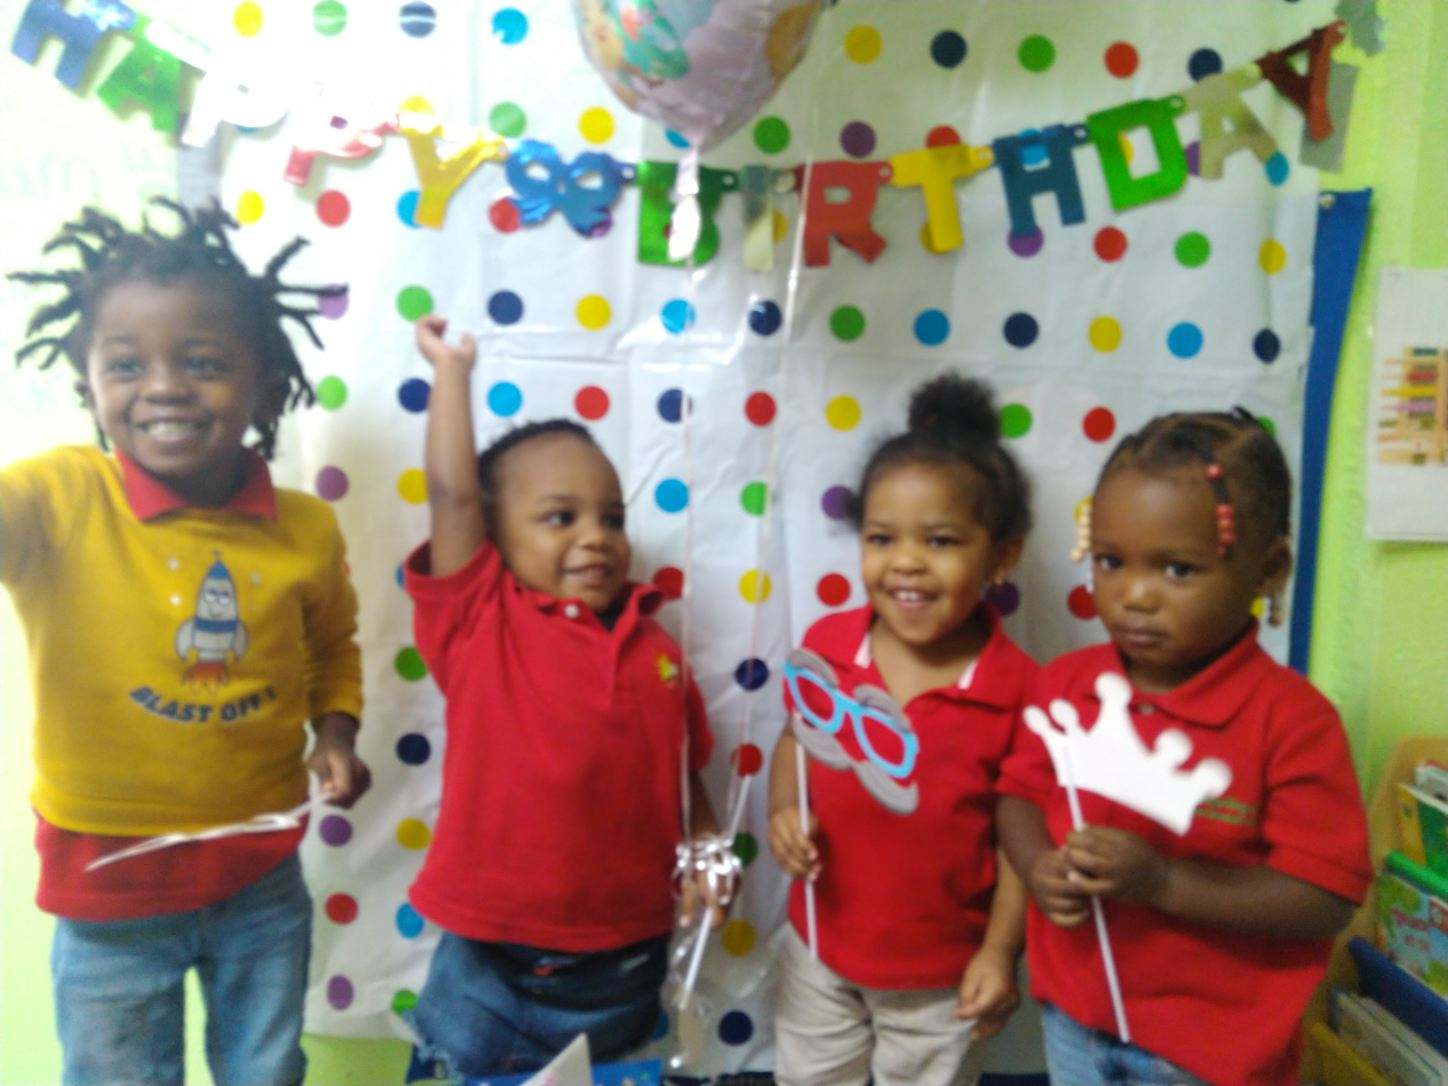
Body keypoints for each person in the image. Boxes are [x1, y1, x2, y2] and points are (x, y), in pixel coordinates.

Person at [2, 200, 369, 1086]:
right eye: (126, 364)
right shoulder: (58, 499)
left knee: (267, 1071)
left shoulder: (304, 528)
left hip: (260, 880)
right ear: (88, 388)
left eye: (202, 363)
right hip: (109, 889)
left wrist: (336, 732)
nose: (163, 386)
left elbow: (331, 648)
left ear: (266, 390)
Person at [997, 409, 1372, 1085]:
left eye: (1177, 569)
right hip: (1075, 1016)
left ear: (1269, 570)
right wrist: (1037, 866)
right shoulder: (1065, 689)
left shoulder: (1295, 723)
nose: (1134, 596)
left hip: (1212, 1051)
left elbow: (1324, 898)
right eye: (1110, 561)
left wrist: (1164, 882)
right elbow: (1018, 797)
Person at [402, 314, 722, 1078]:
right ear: (492, 537)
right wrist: (451, 374)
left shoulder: (658, 649)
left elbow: (682, 775)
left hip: (627, 961)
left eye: (612, 518)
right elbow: (452, 496)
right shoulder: (481, 620)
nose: (597, 536)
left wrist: (708, 849)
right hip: (491, 965)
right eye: (560, 517)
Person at [767, 374, 1035, 1086]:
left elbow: (1021, 842)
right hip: (820, 947)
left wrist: (1000, 952)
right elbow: (795, 739)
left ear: (1002, 555)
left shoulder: (1020, 692)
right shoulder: (829, 647)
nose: (906, 562)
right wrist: (784, 808)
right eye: (882, 538)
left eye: (941, 541)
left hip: (943, 977)